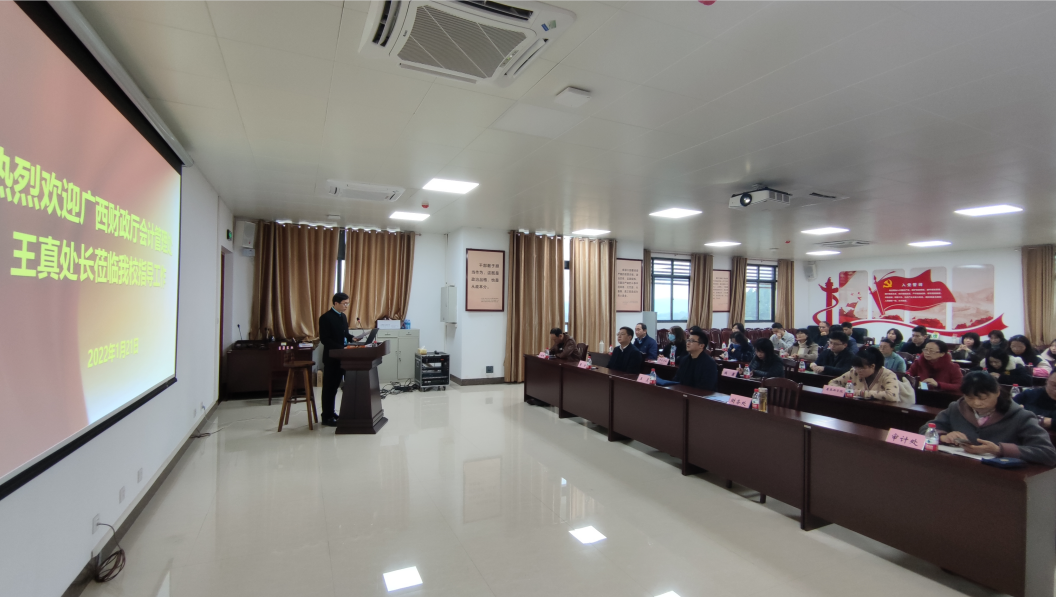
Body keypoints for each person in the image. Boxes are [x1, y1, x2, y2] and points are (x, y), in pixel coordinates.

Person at [920, 372, 1056, 466]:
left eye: (983, 398)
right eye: (970, 398)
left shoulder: (1020, 416)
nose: (976, 403)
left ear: (997, 392)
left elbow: (1048, 453)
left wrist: (999, 450)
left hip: (1002, 478)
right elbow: (925, 429)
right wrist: (943, 437)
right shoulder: (957, 407)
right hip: (959, 469)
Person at [318, 292, 365, 426]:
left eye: (347, 304)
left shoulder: (343, 317)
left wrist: (352, 338)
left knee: (337, 387)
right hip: (332, 357)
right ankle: (326, 416)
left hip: (343, 357)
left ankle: (332, 412)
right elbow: (325, 339)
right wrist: (341, 347)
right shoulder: (325, 318)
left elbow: (345, 334)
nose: (346, 306)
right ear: (336, 303)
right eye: (344, 304)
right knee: (329, 388)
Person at [826, 347, 901, 402]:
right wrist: (846, 391)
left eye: (861, 368)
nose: (858, 371)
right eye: (856, 367)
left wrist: (860, 393)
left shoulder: (888, 375)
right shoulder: (854, 372)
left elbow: (892, 395)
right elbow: (832, 383)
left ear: (872, 366)